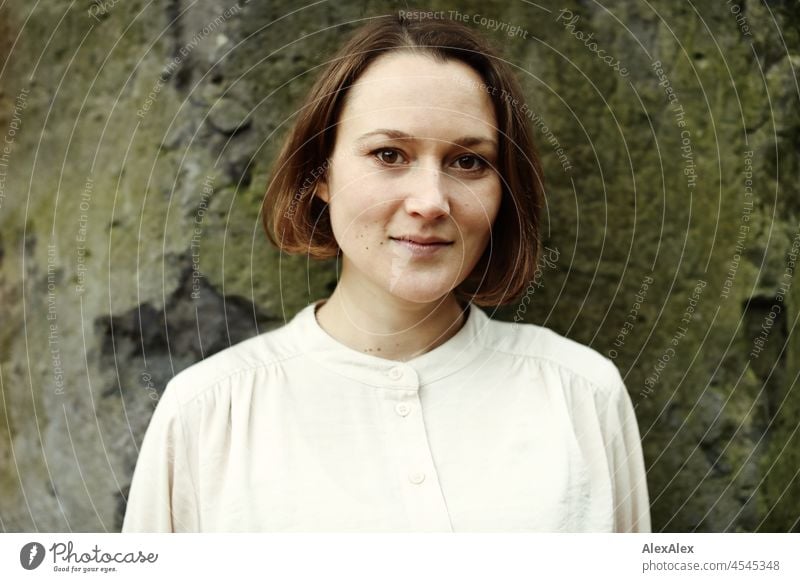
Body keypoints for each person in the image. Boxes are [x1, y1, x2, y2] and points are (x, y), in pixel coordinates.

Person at [122, 13, 651, 532]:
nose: (430, 201)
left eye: (469, 162)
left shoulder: (581, 394)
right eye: (389, 153)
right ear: (320, 174)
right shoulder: (209, 414)